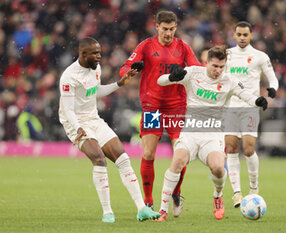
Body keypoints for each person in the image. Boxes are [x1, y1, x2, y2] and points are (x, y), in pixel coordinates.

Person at [154, 45, 268, 221]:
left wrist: (258, 101)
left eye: (221, 67)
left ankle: (217, 196)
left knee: (218, 169)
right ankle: (162, 210)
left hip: (212, 135)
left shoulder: (229, 81)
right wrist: (171, 77)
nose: (218, 70)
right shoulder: (192, 73)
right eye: (214, 66)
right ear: (206, 62)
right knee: (176, 162)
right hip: (190, 133)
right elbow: (160, 81)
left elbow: (246, 95)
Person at [58, 37, 160, 223]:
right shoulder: (69, 77)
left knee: (122, 157)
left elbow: (95, 91)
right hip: (75, 123)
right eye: (95, 53)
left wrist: (119, 83)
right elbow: (68, 110)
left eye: (99, 52)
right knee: (99, 158)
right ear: (83, 54)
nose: (99, 56)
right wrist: (78, 127)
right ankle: (107, 212)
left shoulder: (94, 68)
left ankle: (141, 209)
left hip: (94, 119)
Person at [119, 10, 201, 215]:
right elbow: (124, 68)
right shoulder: (146, 46)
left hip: (176, 106)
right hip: (152, 106)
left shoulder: (183, 47)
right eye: (165, 29)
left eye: (172, 29)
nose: (168, 33)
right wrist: (132, 69)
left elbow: (197, 70)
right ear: (157, 27)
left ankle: (176, 192)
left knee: (180, 155)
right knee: (148, 153)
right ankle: (148, 202)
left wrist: (186, 73)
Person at [224, 21, 279, 208]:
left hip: (250, 107)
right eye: (238, 34)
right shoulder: (227, 55)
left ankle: (254, 188)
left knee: (248, 149)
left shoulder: (259, 57)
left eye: (245, 35)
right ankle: (237, 194)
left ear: (251, 36)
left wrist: (273, 90)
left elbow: (272, 78)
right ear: (234, 35)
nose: (241, 38)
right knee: (231, 148)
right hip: (230, 107)